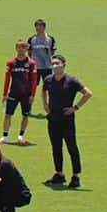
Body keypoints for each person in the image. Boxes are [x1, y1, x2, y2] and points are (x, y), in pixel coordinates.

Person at [41, 54, 92, 188]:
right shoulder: (48, 79)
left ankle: (76, 176)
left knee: (71, 147)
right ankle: (59, 173)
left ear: (64, 65)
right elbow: (43, 90)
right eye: (53, 63)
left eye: (57, 63)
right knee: (56, 147)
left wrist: (75, 107)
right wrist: (45, 105)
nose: (55, 66)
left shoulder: (71, 81)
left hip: (67, 120)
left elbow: (88, 93)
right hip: (53, 118)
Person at [0, 40, 38, 145]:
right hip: (13, 93)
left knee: (25, 115)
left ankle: (21, 136)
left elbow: (34, 80)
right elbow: (7, 79)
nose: (21, 49)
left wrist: (33, 95)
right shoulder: (11, 62)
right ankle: (5, 137)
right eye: (19, 47)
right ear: (16, 48)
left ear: (26, 49)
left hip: (26, 94)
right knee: (8, 114)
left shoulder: (31, 63)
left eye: (23, 47)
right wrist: (4, 94)